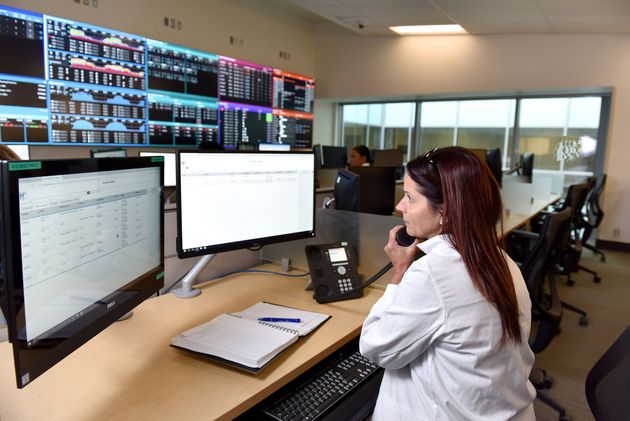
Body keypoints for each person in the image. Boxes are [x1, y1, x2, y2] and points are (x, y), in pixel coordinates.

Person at [360, 146, 535, 420]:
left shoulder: (432, 274)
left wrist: (399, 273)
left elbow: (375, 347)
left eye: (410, 198)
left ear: (446, 211)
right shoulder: (503, 261)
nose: (399, 206)